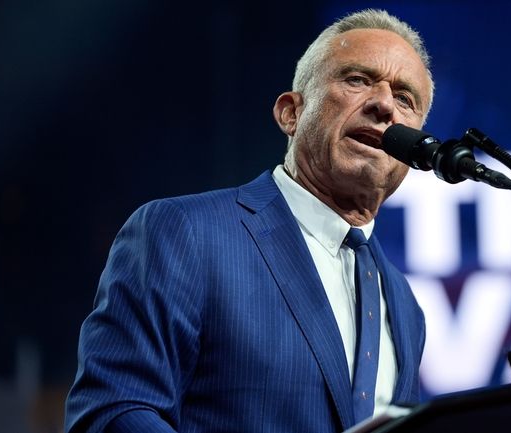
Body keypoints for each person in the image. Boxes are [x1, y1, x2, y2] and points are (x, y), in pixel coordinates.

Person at [65, 8, 434, 433]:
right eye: (357, 80)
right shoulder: (185, 232)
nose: (385, 104)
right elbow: (113, 413)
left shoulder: (405, 306)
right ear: (290, 114)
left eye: (406, 98)